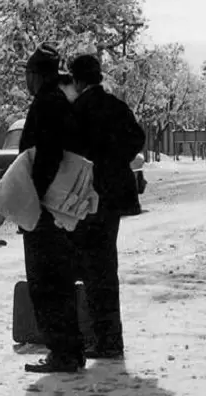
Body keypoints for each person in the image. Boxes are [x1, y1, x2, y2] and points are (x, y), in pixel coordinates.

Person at [67, 53, 146, 360]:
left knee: (90, 267)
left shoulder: (78, 111)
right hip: (113, 198)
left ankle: (101, 340)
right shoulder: (116, 106)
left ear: (77, 80)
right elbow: (136, 138)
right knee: (105, 265)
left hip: (87, 196)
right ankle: (111, 338)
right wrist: (115, 161)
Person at [18, 43, 87, 374]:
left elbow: (46, 156)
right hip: (57, 207)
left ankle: (63, 353)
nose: (26, 81)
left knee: (46, 283)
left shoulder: (47, 104)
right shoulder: (58, 101)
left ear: (37, 76)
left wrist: (34, 199)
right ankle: (69, 351)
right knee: (56, 281)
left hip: (47, 208)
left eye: (27, 75)